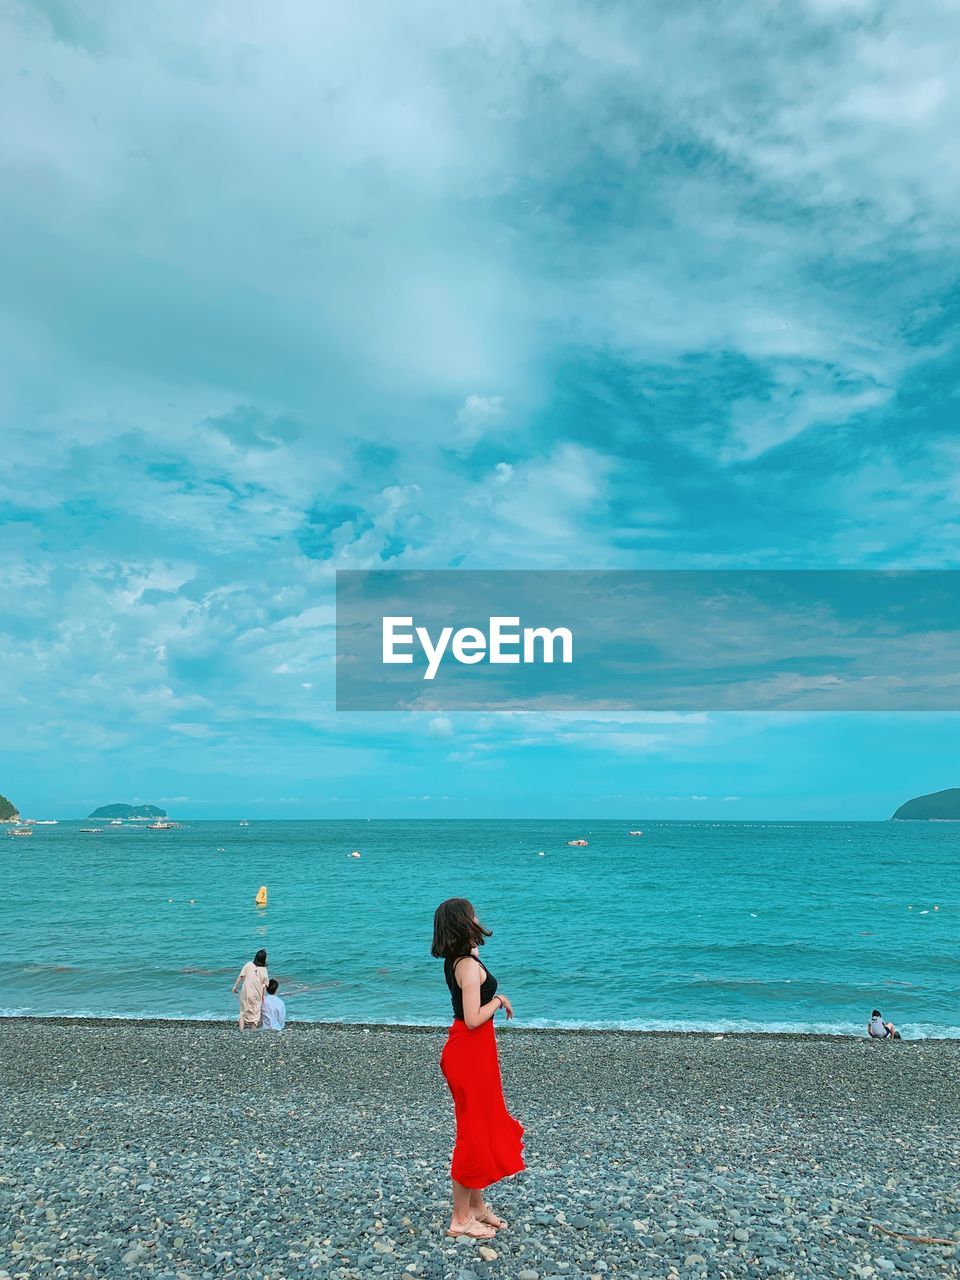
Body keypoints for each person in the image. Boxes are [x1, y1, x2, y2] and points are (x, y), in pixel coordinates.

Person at [431, 898, 524, 1240]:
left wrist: (472, 944)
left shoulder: (464, 959)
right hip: (468, 1051)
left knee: (482, 1125)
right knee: (471, 1132)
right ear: (463, 922)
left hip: (475, 1052)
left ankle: (477, 1206)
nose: (478, 917)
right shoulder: (466, 966)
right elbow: (472, 1019)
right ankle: (459, 1218)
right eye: (472, 915)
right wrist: (499, 1001)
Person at [232, 948, 268, 1030]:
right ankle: (254, 1030)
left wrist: (235, 986)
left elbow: (241, 976)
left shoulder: (248, 964)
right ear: (264, 959)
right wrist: (263, 996)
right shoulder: (264, 970)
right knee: (254, 1012)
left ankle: (241, 1030)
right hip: (256, 993)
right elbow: (265, 984)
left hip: (246, 992)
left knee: (243, 1011)